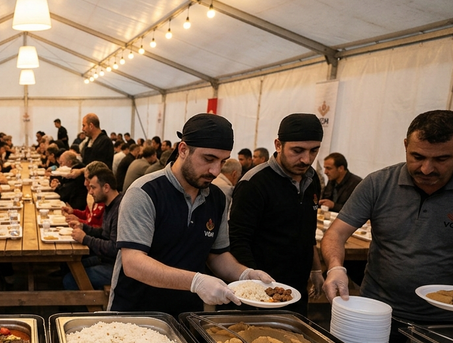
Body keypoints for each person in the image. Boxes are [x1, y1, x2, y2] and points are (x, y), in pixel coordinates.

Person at [109, 113, 271, 316]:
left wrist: (245, 274)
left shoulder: (217, 198)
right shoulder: (145, 192)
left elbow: (217, 255)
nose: (215, 171)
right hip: (135, 312)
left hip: (185, 314)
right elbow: (133, 263)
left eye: (222, 162)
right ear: (183, 149)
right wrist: (196, 281)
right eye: (208, 159)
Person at [323, 110, 453, 343]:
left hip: (444, 323)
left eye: (441, 159)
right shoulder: (378, 183)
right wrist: (335, 267)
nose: (426, 169)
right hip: (376, 312)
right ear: (405, 145)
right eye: (417, 157)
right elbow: (336, 233)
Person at [230, 114, 324, 314]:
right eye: (297, 151)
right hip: (260, 291)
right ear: (278, 145)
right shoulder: (254, 184)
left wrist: (316, 269)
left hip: (297, 287)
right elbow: (238, 240)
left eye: (314, 150)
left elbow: (309, 229)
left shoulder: (312, 178)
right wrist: (256, 287)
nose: (306, 159)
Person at [63, 169, 123, 291]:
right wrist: (83, 227)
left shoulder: (120, 209)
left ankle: (87, 309)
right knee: (68, 266)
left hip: (116, 267)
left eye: (93, 188)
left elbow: (114, 248)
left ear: (106, 187)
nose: (90, 192)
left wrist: (85, 238)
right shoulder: (109, 204)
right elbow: (103, 233)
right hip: (106, 259)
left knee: (70, 280)